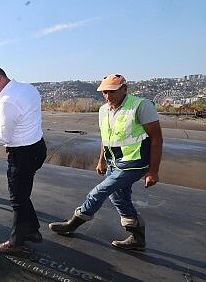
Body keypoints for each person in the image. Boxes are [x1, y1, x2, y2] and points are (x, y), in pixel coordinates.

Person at [49, 74, 163, 251]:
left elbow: (156, 138)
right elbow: (106, 138)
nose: (108, 96)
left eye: (112, 91)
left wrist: (153, 171)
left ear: (125, 89)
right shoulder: (104, 110)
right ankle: (137, 236)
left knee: (99, 191)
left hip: (134, 162)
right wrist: (101, 161)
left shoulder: (140, 105)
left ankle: (74, 222)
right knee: (118, 196)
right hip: (113, 162)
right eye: (104, 92)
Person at [0, 65, 47, 254]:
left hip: (22, 154)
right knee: (22, 194)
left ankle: (15, 243)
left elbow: (4, 137)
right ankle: (32, 231)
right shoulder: (28, 88)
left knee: (17, 199)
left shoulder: (7, 102)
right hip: (38, 148)